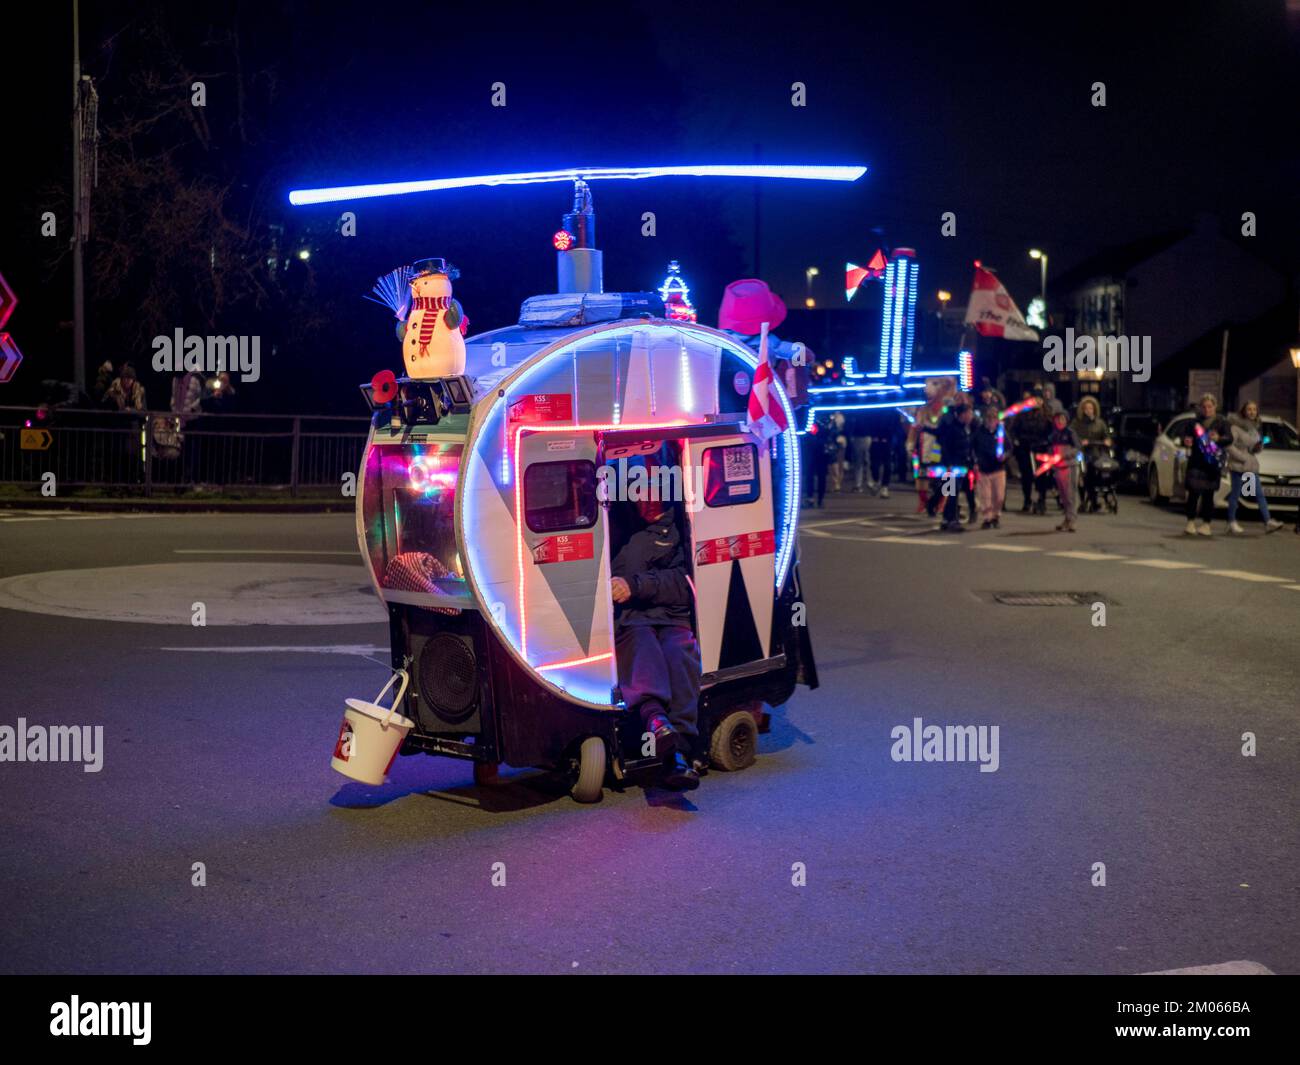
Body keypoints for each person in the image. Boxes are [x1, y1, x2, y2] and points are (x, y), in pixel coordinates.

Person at [610, 494, 701, 791]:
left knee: (680, 652)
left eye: (655, 497)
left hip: (672, 613)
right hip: (632, 616)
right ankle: (659, 725)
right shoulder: (617, 524)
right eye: (641, 495)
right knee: (643, 650)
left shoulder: (683, 526)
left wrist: (635, 586)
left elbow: (684, 581)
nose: (648, 502)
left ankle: (681, 748)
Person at [1225, 401, 1284, 535]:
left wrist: (1259, 446)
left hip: (1250, 466)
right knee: (1235, 494)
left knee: (1259, 494)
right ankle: (1231, 522)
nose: (1252, 412)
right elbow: (1229, 445)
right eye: (1249, 409)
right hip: (1238, 465)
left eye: (1254, 410)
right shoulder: (1235, 428)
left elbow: (1252, 448)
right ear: (1244, 411)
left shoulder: (1254, 428)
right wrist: (1243, 457)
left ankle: (1268, 521)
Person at [921, 399, 974, 532]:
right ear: (962, 415)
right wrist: (949, 464)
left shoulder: (963, 428)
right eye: (969, 413)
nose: (971, 416)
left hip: (960, 464)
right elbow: (945, 447)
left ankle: (939, 512)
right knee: (952, 493)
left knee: (947, 489)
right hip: (953, 465)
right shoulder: (953, 428)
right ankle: (951, 520)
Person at [1181, 393, 1231, 537]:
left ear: (1215, 407)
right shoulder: (1194, 423)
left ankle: (1206, 524)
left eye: (1210, 406)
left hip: (1212, 463)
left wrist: (1219, 438)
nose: (1207, 409)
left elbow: (1229, 439)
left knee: (1208, 496)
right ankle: (1190, 522)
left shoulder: (1222, 423)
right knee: (1193, 493)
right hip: (1196, 462)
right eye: (1204, 407)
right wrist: (1187, 440)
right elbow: (1185, 436)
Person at [1013, 391, 1052, 514]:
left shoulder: (1047, 415)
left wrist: (1048, 441)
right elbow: (1014, 430)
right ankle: (1027, 499)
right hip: (1026, 448)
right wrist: (1017, 440)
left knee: (1042, 475)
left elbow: (1051, 431)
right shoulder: (1022, 415)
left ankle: (1042, 499)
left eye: (1039, 399)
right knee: (1026, 476)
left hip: (1041, 447)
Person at [1071, 396, 1111, 512]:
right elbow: (1071, 435)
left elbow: (1106, 435)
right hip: (1081, 453)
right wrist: (1080, 441)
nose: (1089, 410)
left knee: (1095, 472)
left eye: (1091, 408)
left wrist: (1107, 440)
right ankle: (1084, 500)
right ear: (1082, 410)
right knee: (1083, 474)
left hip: (1096, 453)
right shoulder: (1077, 423)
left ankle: (1094, 499)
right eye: (1086, 408)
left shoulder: (1100, 423)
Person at [972, 406, 1008, 528]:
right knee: (985, 496)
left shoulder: (1001, 432)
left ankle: (996, 515)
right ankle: (987, 518)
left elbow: (1010, 447)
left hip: (998, 468)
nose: (991, 420)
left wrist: (1005, 456)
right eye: (989, 417)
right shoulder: (979, 432)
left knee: (999, 496)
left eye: (994, 417)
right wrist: (975, 462)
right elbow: (972, 448)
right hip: (983, 469)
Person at [1046, 409, 1081, 532]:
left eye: (1062, 419)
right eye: (1057, 419)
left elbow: (1077, 449)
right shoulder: (1054, 434)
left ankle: (1072, 520)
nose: (1059, 421)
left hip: (1069, 466)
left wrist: (1064, 455)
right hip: (1058, 467)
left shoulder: (1070, 433)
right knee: (1063, 495)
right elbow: (1051, 449)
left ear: (1066, 420)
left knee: (1070, 494)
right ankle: (1067, 518)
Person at [846, 410, 872, 492]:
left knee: (861, 462)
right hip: (863, 436)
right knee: (864, 461)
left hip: (862, 436)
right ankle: (867, 483)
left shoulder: (856, 410)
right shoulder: (868, 409)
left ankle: (860, 484)